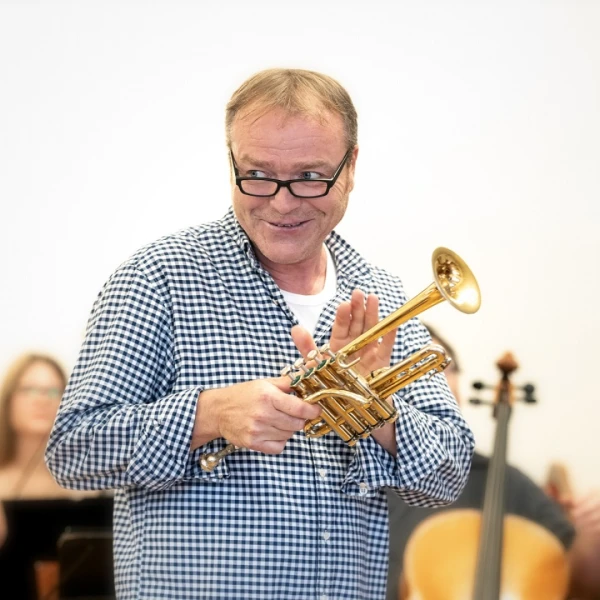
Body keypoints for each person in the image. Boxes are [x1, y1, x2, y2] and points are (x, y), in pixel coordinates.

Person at [45, 67, 475, 600]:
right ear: (231, 161)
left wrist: (374, 411)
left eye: (310, 176)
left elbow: (448, 475)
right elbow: (74, 451)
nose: (282, 202)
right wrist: (209, 415)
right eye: (257, 174)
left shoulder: (382, 293)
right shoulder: (158, 277)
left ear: (351, 167)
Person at [385, 326, 600, 600]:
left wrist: (592, 539)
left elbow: (578, 582)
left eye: (440, 366)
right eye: (411, 369)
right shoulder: (346, 481)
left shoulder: (506, 482)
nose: (431, 382)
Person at [0, 353, 113, 599]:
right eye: (29, 389)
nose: (42, 400)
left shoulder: (94, 481)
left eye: (53, 392)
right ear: (8, 400)